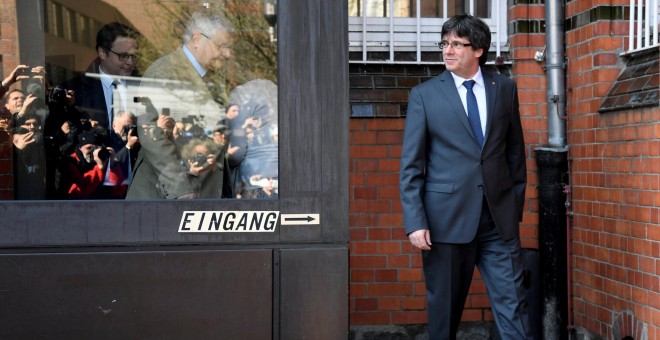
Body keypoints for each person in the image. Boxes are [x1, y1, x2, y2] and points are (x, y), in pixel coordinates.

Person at [399, 14, 530, 339]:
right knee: (444, 313)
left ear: (479, 50)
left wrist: (513, 210)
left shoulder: (505, 89)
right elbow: (411, 166)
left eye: (457, 44)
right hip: (447, 222)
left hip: (498, 223)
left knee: (514, 306)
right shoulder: (425, 95)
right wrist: (415, 221)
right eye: (445, 44)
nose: (448, 51)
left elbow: (515, 155)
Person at [126, 11, 233, 199]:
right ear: (197, 39)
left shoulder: (207, 79)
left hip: (196, 197)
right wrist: (180, 190)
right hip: (169, 203)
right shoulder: (164, 72)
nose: (227, 53)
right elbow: (152, 134)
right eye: (221, 46)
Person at [61, 22, 140, 134]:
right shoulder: (74, 90)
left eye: (135, 56)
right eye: (123, 56)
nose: (130, 62)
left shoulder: (146, 88)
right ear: (102, 53)